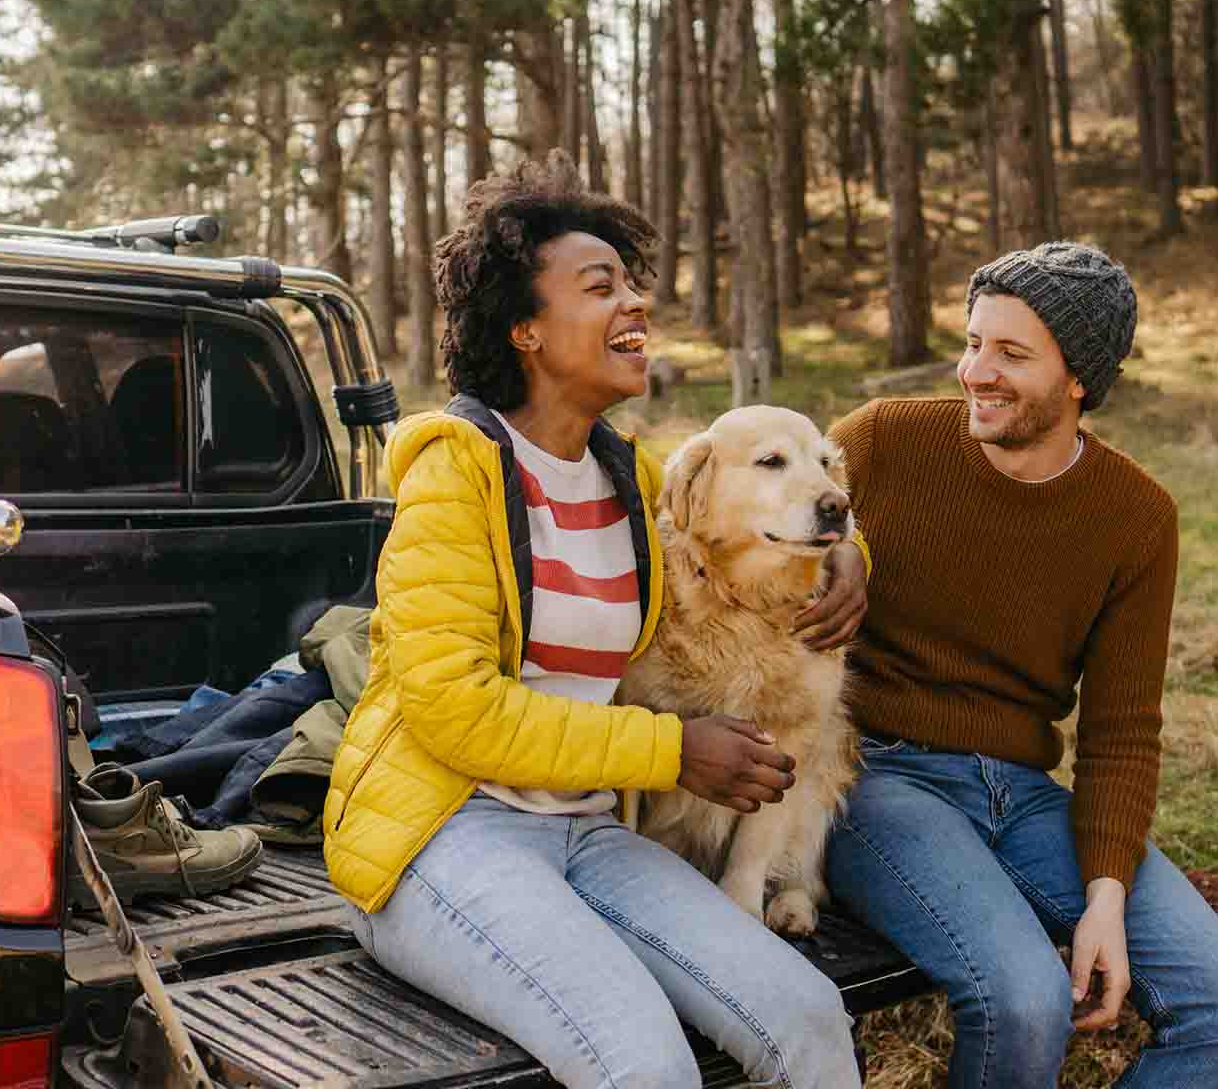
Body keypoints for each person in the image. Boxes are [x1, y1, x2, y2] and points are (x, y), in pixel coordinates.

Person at [322, 156, 862, 1089]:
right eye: (600, 286)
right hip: (447, 834)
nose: (635, 306)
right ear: (525, 329)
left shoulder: (634, 481)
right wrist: (669, 750)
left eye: (635, 285)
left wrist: (854, 550)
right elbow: (455, 712)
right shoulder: (456, 477)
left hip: (591, 829)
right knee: (644, 1066)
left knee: (812, 1022)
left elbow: (770, 503)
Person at [798, 243, 1218, 1087]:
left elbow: (1122, 732)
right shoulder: (882, 440)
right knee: (1024, 996)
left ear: (1078, 382)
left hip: (1023, 797)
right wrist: (843, 548)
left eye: (1011, 354)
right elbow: (768, 523)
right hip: (877, 778)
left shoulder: (1135, 517)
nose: (975, 372)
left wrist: (1105, 894)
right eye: (974, 342)